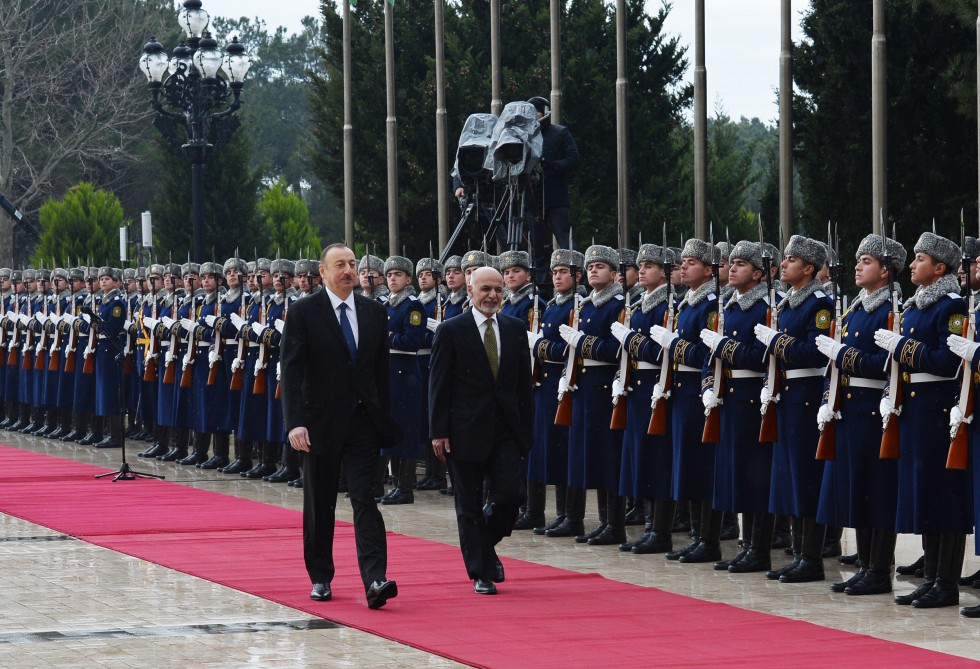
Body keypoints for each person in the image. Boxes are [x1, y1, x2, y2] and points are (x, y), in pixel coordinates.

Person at [280, 243, 400, 609]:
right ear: (323, 272)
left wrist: (383, 418)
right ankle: (320, 575)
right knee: (320, 502)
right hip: (319, 424)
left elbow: (379, 374)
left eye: (352, 264)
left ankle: (375, 578)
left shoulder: (373, 311)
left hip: (362, 421)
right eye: (340, 265)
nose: (349, 270)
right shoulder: (303, 312)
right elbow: (292, 370)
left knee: (366, 498)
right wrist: (295, 423)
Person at [429, 266, 534, 595]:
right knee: (469, 504)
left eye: (498, 290)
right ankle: (481, 571)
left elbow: (522, 386)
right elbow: (439, 385)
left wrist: (526, 432)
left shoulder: (515, 329)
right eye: (485, 289)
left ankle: (483, 546)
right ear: (471, 290)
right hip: (464, 430)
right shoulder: (451, 330)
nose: (492, 296)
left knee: (511, 496)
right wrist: (438, 431)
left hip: (504, 429)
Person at [526, 95, 580, 279]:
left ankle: (576, 278)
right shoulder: (524, 136)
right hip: (532, 200)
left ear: (546, 112)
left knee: (565, 242)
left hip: (556, 198)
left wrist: (552, 165)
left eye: (537, 112)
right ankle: (542, 287)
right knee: (538, 247)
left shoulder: (560, 133)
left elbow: (574, 159)